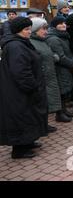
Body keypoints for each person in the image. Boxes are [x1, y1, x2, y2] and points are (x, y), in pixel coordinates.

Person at [0, 17, 48, 159]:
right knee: (21, 117)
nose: (29, 32)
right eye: (26, 29)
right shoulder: (16, 46)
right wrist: (32, 86)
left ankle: (28, 142)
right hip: (19, 90)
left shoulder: (21, 43)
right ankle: (19, 149)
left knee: (29, 116)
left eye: (29, 28)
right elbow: (21, 71)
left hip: (22, 89)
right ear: (18, 31)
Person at [30, 17, 69, 125]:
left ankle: (45, 123)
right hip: (43, 77)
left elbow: (50, 54)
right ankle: (42, 124)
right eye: (43, 29)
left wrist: (54, 57)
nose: (46, 31)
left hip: (50, 75)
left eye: (46, 29)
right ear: (35, 29)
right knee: (42, 101)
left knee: (49, 100)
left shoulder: (42, 41)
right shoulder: (32, 43)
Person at [46, 17, 73, 119]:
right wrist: (72, 64)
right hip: (60, 68)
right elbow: (60, 57)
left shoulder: (62, 36)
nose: (63, 25)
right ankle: (59, 114)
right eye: (60, 23)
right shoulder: (54, 39)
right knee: (61, 91)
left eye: (64, 23)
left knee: (64, 90)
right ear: (55, 26)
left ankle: (64, 110)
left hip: (65, 68)